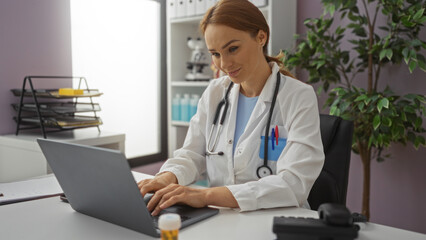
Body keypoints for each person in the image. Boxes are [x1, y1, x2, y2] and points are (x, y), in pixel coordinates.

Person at [138, 0, 324, 216]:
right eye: (215, 54)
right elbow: (191, 154)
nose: (224, 64)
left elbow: (294, 183)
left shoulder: (298, 96)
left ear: (261, 37)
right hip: (222, 219)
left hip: (277, 220)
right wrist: (166, 177)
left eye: (232, 49)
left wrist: (206, 195)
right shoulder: (215, 93)